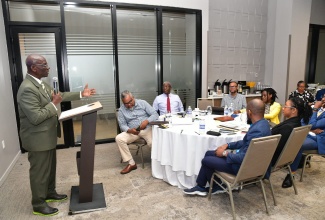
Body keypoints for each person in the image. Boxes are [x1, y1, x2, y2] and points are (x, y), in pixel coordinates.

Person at [17, 54, 96, 216]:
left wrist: (82, 94)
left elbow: (60, 95)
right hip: (37, 139)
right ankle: (38, 204)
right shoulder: (27, 89)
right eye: (44, 65)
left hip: (47, 136)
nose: (48, 68)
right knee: (39, 172)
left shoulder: (41, 84)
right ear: (33, 68)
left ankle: (49, 193)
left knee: (50, 168)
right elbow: (36, 116)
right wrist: (54, 104)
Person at [183, 99, 271, 196]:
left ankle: (213, 187)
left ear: (249, 112)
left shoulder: (256, 130)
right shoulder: (264, 125)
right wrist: (228, 145)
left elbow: (243, 158)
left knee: (206, 160)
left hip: (243, 168)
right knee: (209, 153)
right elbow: (245, 142)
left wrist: (225, 153)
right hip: (254, 164)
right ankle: (204, 186)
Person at [282, 94, 325, 188]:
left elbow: (312, 124)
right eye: (323, 97)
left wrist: (315, 109)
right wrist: (311, 129)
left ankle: (291, 174)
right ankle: (284, 163)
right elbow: (302, 122)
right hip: (310, 134)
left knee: (298, 144)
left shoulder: (316, 109)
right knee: (290, 138)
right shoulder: (318, 109)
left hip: (320, 139)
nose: (323, 99)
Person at [116, 90, 159, 174]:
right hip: (133, 132)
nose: (128, 105)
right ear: (122, 102)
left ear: (133, 98)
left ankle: (158, 164)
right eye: (126, 103)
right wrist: (129, 130)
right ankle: (131, 163)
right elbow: (122, 125)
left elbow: (155, 114)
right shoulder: (121, 110)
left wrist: (147, 121)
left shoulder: (142, 103)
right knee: (119, 138)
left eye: (130, 102)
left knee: (153, 143)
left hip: (147, 129)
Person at [270, 97, 312, 166]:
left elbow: (276, 148)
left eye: (285, 106)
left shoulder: (288, 128)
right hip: (282, 157)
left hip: (272, 159)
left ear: (293, 110)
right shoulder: (297, 123)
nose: (283, 108)